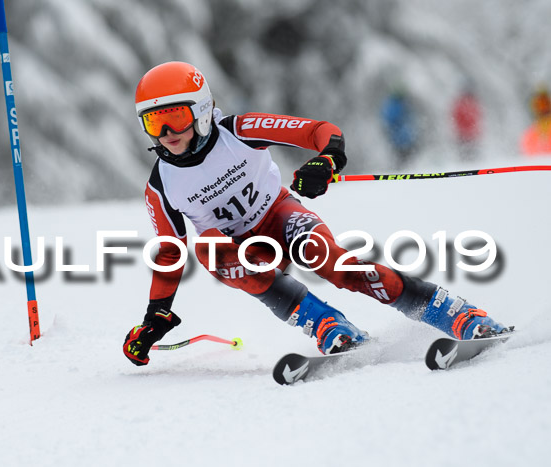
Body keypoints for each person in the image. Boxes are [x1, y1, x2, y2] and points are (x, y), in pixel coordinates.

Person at [123, 61, 510, 366]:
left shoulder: (239, 131)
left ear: (203, 111)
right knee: (209, 247)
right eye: (154, 122)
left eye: (177, 117)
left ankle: (456, 314)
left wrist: (326, 161)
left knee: (332, 263)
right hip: (245, 253)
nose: (168, 132)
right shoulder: (161, 186)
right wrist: (156, 315)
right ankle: (329, 326)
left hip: (281, 217)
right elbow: (171, 253)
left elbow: (322, 131)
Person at [380, 87, 418, 164]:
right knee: (402, 156)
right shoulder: (394, 105)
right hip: (399, 137)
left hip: (404, 137)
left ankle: (404, 168)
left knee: (405, 157)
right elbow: (390, 120)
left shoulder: (399, 105)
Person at [452, 85, 482, 159]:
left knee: (471, 156)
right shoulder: (463, 104)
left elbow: (478, 118)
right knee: (466, 156)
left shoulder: (472, 103)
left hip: (470, 135)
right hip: (465, 135)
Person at [520, 85, 551, 156]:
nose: (542, 108)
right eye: (539, 104)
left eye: (545, 103)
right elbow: (528, 158)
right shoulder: (529, 136)